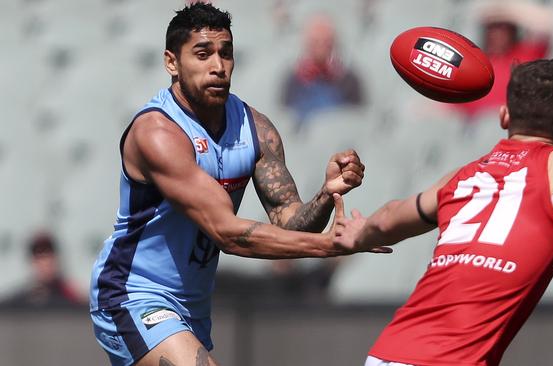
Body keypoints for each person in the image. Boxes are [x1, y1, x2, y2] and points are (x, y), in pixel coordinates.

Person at [88, 4, 386, 366]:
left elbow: (290, 222)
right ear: (171, 63)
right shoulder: (158, 133)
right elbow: (227, 233)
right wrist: (330, 246)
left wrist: (326, 194)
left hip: (192, 306)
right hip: (133, 293)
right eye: (202, 54)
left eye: (225, 53)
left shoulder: (255, 129)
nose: (218, 65)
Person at [334, 59, 553, 366]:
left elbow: (389, 217)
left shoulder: (463, 177)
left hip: (389, 350)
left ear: (504, 116)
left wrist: (359, 233)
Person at [450, 0, 553, 125]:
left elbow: (547, 24)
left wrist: (505, 9)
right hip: (479, 131)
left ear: (513, 31)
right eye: (492, 28)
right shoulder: (473, 65)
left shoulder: (526, 56)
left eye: (503, 28)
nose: (497, 34)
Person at [279, 13, 365, 132]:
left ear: (334, 43)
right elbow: (286, 120)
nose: (321, 46)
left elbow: (357, 121)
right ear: (306, 44)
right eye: (315, 42)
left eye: (326, 42)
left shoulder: (350, 80)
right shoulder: (292, 82)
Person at [2, 231, 84, 308]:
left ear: (56, 259)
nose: (45, 263)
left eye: (48, 255)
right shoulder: (21, 299)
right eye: (39, 257)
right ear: (33, 262)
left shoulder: (68, 294)